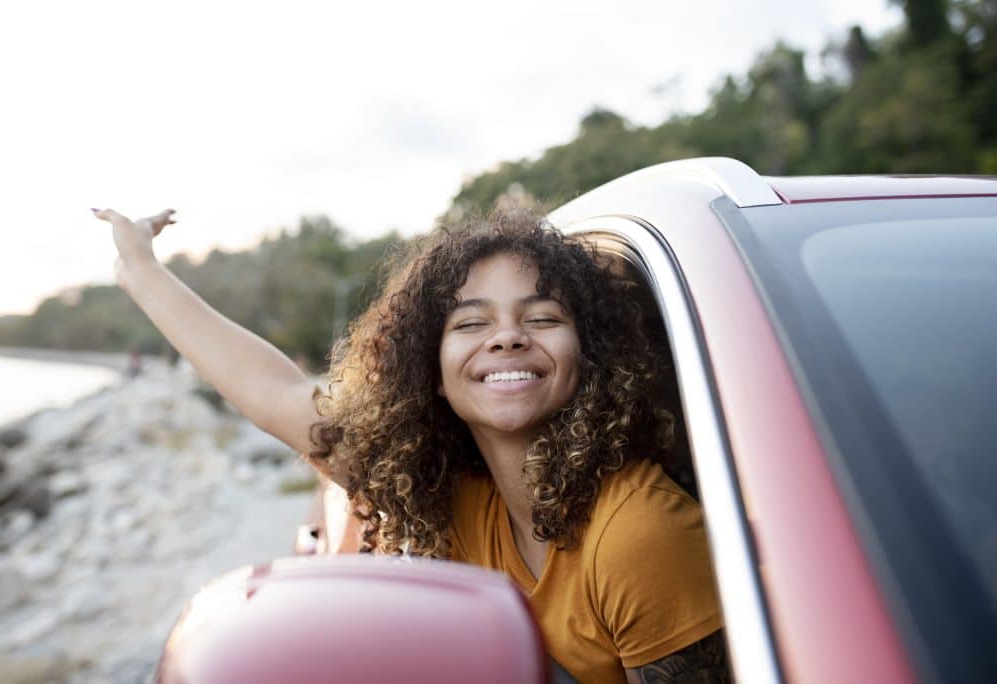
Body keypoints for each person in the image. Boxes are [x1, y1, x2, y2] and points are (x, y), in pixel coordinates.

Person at [93, 206, 728, 684]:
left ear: (590, 356)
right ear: (432, 370)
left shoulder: (641, 534)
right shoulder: (445, 493)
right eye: (472, 323)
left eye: (541, 318)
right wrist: (141, 270)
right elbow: (279, 396)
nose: (506, 338)